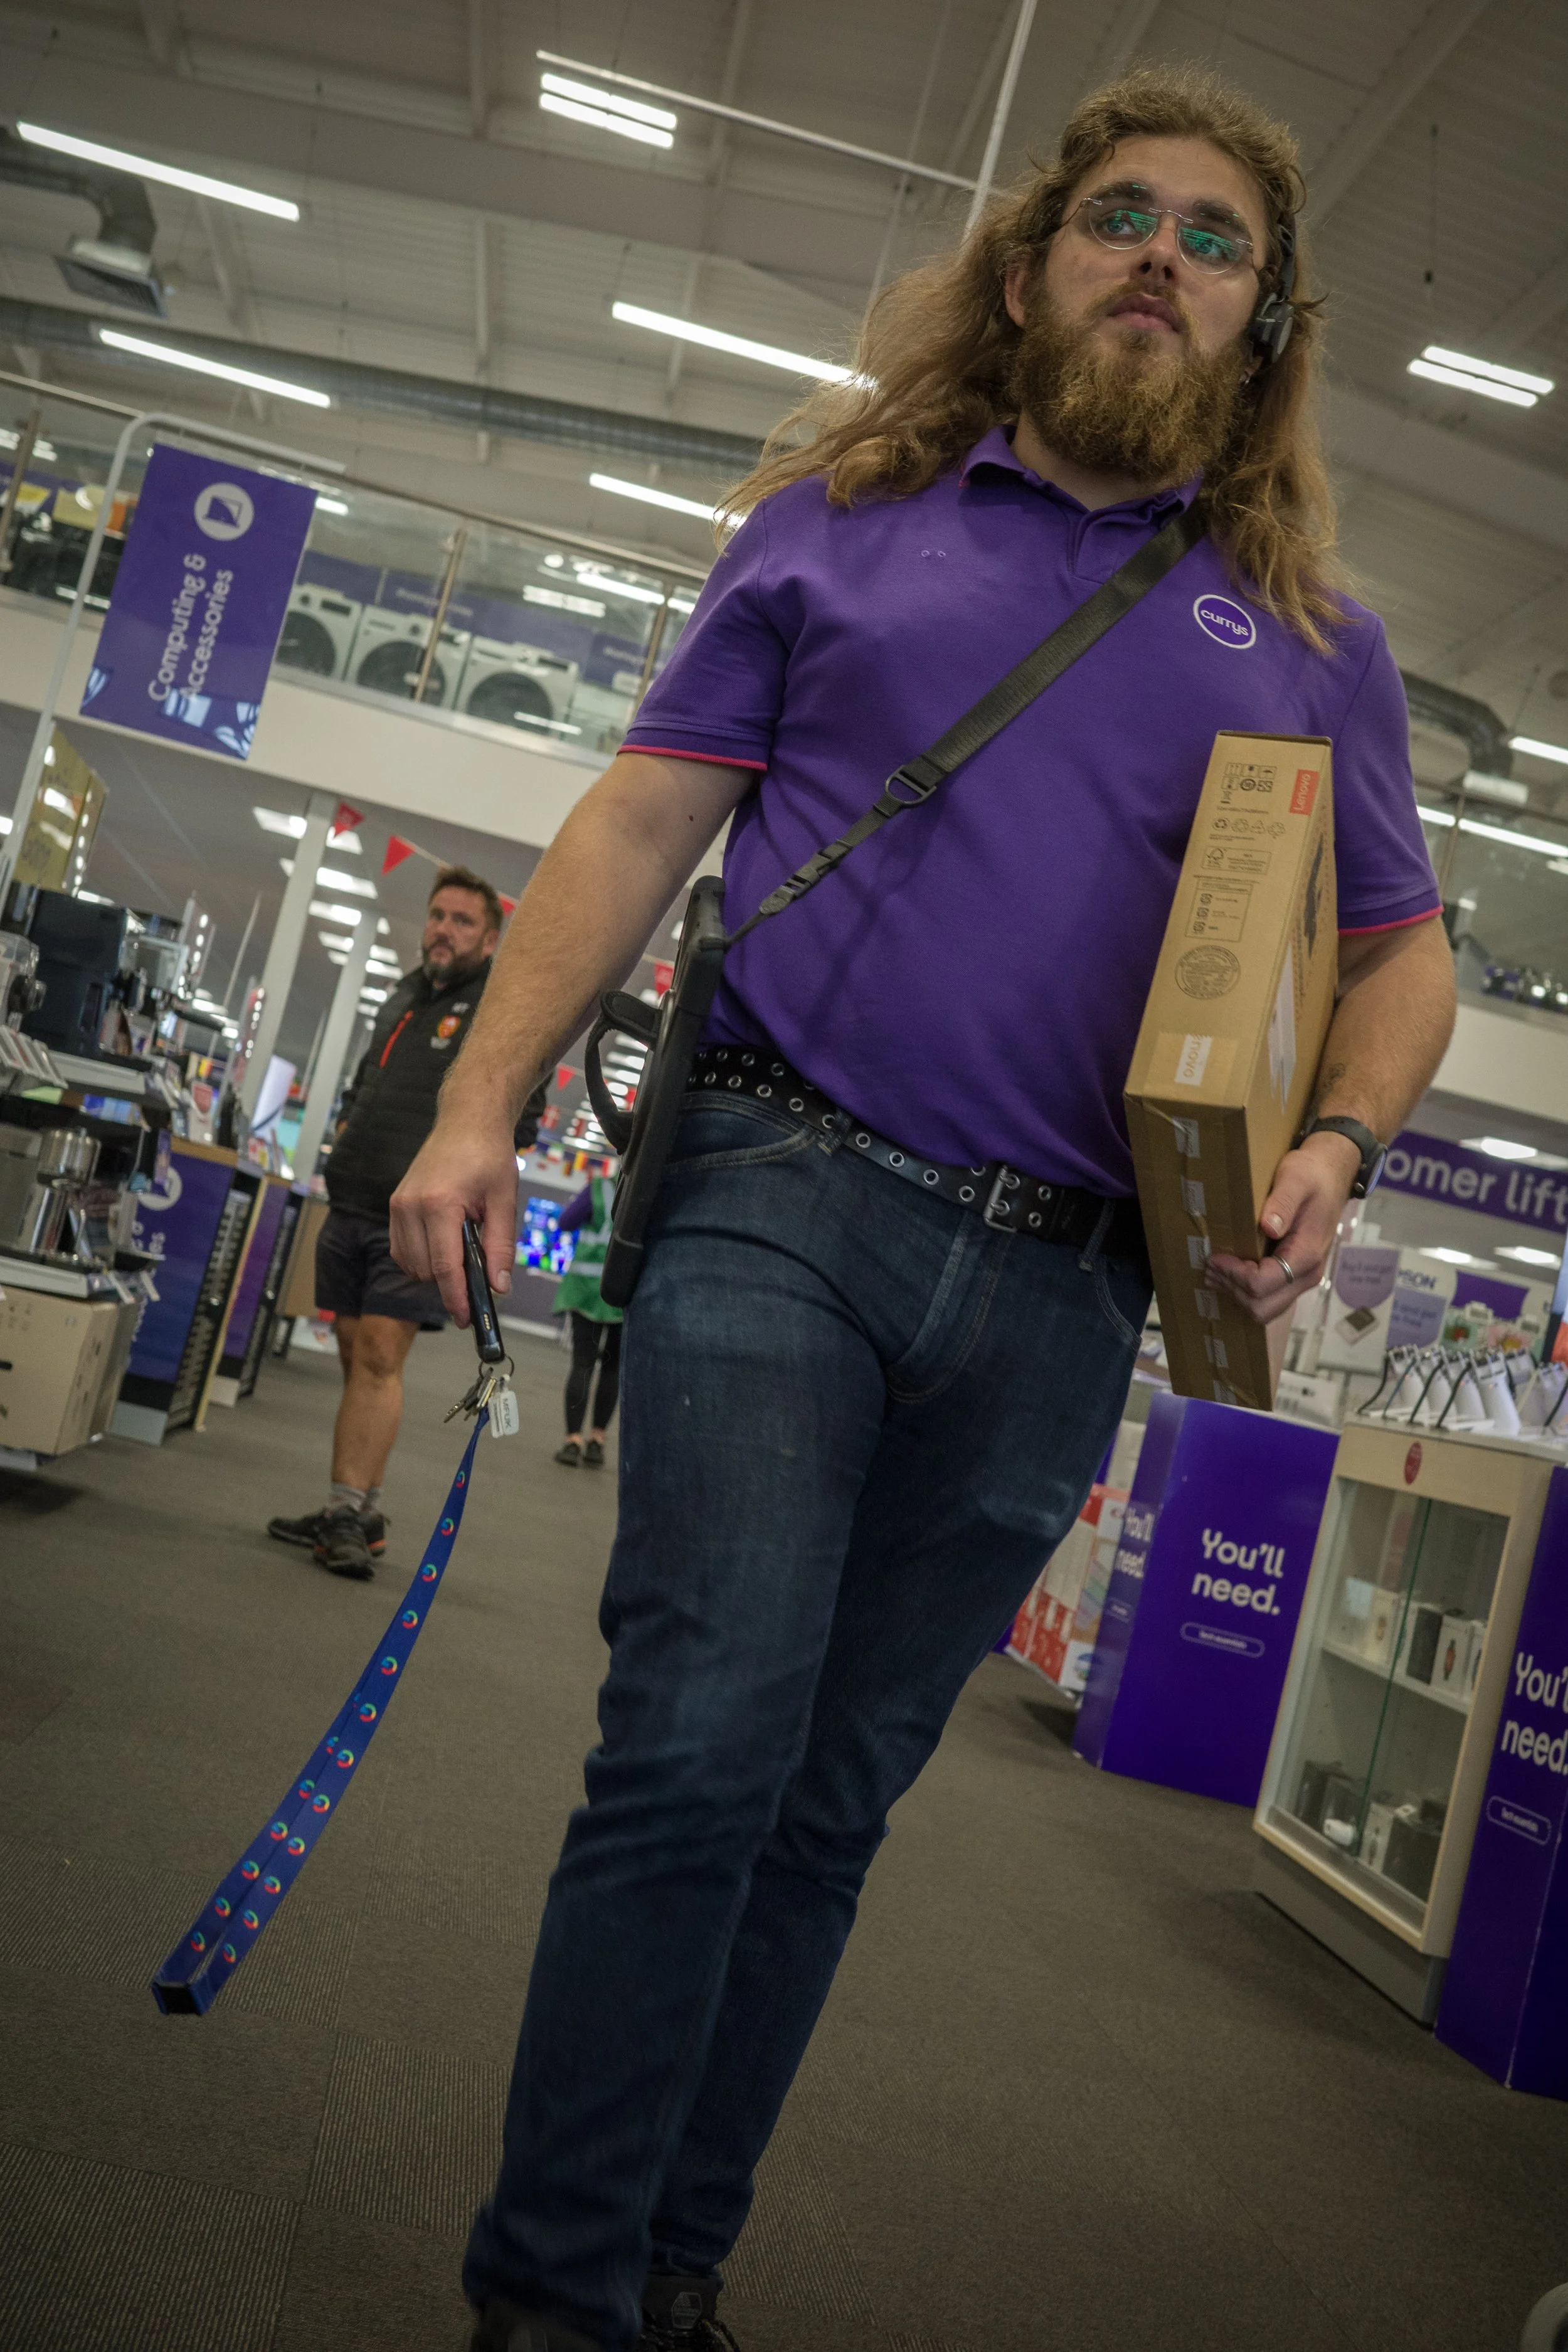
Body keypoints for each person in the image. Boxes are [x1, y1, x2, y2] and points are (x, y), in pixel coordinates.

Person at [392, 65, 1456, 2352]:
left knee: (832, 1795)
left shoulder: (1309, 641)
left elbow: (1401, 941)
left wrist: (1340, 1138)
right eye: (1120, 216)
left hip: (1070, 1286)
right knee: (700, 1734)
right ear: (1032, 257)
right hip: (784, 1188)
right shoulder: (833, 520)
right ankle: (550, 2295)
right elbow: (631, 827)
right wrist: (476, 1103)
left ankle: (675, 2258)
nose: (1160, 258)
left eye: (1216, 241)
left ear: (1263, 326)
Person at [268, 864, 543, 1581]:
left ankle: (344, 1510)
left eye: (461, 921)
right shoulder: (402, 994)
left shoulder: (500, 1010)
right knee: (357, 1352)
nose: (443, 930)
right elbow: (368, 1082)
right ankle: (358, 1509)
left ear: (489, 939)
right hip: (354, 1198)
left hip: (423, 1212)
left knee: (381, 1360)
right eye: (437, 915)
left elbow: (524, 1118)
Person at [551, 1175, 623, 1467]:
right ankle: (596, 1442)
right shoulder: (651, 1187)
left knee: (582, 1364)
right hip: (623, 1293)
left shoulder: (597, 1189)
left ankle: (572, 1443)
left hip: (585, 1291)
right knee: (612, 1369)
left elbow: (566, 1222)